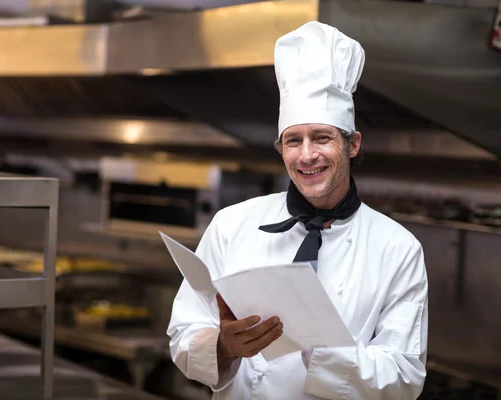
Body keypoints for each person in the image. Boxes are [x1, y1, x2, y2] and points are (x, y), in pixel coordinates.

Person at [167, 21, 428, 400]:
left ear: (352, 144)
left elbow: (405, 376)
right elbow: (182, 333)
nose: (306, 156)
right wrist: (224, 346)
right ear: (280, 148)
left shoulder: (398, 249)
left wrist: (318, 345)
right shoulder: (232, 225)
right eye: (293, 141)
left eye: (322, 137)